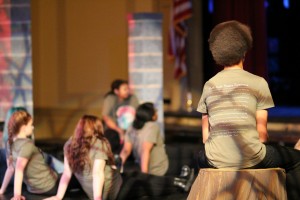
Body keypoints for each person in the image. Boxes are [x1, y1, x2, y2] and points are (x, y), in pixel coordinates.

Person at [196, 20, 300, 200]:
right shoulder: (259, 83)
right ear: (244, 51)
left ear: (216, 52)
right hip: (251, 156)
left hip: (214, 158)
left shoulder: (209, 85)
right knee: (296, 158)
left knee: (198, 157)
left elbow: (206, 138)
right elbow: (262, 135)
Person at [118, 102, 194, 199]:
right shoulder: (152, 126)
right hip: (157, 167)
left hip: (145, 165)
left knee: (175, 151)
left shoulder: (132, 127)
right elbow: (145, 151)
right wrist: (144, 176)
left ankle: (182, 179)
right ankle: (181, 180)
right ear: (150, 114)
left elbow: (125, 151)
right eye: (155, 111)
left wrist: (117, 168)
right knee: (184, 155)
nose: (157, 113)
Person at [45, 115, 122, 200]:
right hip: (112, 189)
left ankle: (115, 163)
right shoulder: (99, 143)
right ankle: (116, 162)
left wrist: (58, 196)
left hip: (109, 185)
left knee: (114, 167)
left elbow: (67, 173)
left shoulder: (70, 143)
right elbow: (97, 173)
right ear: (97, 128)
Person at [0, 110, 65, 199]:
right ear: (24, 128)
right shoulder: (27, 145)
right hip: (49, 187)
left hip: (33, 188)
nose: (33, 127)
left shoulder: (9, 143)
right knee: (72, 175)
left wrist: (2, 190)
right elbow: (18, 170)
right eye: (31, 125)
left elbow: (10, 169)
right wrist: (17, 196)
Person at [102, 79, 139, 154]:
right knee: (112, 137)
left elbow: (137, 113)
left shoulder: (133, 98)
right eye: (125, 89)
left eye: (128, 89)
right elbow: (106, 117)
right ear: (116, 91)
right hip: (114, 129)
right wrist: (119, 131)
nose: (127, 91)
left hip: (131, 129)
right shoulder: (110, 99)